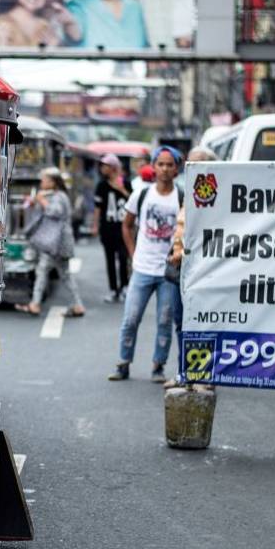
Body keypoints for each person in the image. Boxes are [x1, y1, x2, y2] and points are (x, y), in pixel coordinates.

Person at [109, 146, 184, 383]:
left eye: (169, 165)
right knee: (131, 318)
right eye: (160, 164)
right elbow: (127, 224)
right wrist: (133, 254)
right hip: (142, 268)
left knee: (165, 321)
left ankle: (158, 366)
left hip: (169, 272)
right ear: (153, 166)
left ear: (177, 169)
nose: (165, 169)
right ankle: (123, 363)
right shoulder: (141, 194)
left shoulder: (182, 197)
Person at [161, 145, 216, 389]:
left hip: (204, 269)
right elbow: (182, 228)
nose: (192, 168)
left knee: (204, 322)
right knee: (181, 322)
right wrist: (177, 252)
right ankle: (185, 372)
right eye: (190, 164)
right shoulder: (190, 191)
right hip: (181, 267)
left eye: (198, 163)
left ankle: (204, 374)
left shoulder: (217, 191)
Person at [14, 168, 85, 317]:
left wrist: (41, 200)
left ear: (53, 182)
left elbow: (55, 212)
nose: (41, 183)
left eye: (44, 180)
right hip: (57, 243)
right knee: (63, 274)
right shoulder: (54, 195)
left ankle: (35, 304)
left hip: (56, 243)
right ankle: (77, 305)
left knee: (43, 271)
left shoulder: (59, 196)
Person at [92, 153, 131, 302]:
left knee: (123, 257)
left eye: (105, 166)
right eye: (101, 166)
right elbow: (97, 208)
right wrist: (95, 225)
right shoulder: (101, 186)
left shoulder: (125, 183)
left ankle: (125, 286)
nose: (102, 169)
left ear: (113, 167)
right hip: (107, 228)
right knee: (109, 259)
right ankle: (113, 289)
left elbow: (133, 202)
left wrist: (122, 190)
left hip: (123, 227)